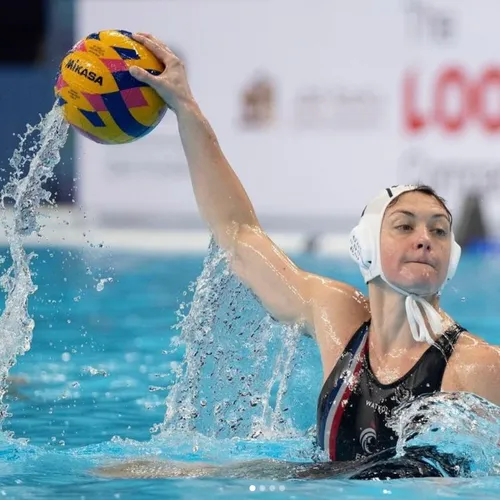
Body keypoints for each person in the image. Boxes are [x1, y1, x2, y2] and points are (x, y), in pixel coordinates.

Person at [95, 33, 500, 480]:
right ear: (364, 248)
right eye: (404, 225)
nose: (425, 239)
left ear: (453, 258)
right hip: (320, 481)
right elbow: (237, 232)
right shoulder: (337, 318)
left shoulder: (474, 366)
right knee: (139, 472)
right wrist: (186, 109)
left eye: (440, 231)